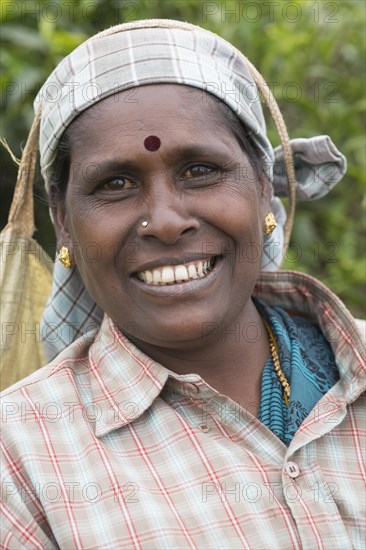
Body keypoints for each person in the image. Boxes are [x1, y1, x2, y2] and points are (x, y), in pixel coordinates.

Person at [1, 19, 365, 550]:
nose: (166, 222)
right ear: (63, 222)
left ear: (263, 186)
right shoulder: (20, 460)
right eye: (116, 184)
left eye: (199, 170)